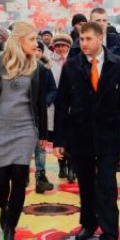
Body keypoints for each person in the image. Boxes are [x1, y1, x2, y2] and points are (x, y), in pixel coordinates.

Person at [53, 22, 120, 240]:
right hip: (80, 135)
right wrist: (59, 140)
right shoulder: (71, 66)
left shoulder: (117, 65)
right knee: (86, 183)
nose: (83, 43)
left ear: (100, 38)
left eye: (88, 38)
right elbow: (62, 105)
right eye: (81, 39)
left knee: (107, 185)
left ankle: (109, 234)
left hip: (109, 135)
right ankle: (89, 223)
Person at [0, 22, 49, 240]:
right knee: (1, 179)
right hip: (0, 127)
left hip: (25, 128)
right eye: (31, 39)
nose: (36, 43)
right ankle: (4, 208)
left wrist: (43, 134)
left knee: (19, 177)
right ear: (18, 40)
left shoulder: (37, 66)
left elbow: (39, 103)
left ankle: (10, 228)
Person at [32, 41, 57, 194]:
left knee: (40, 146)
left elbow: (53, 89)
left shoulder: (46, 70)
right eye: (34, 49)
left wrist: (45, 102)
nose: (36, 52)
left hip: (40, 114)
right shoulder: (19, 67)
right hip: (22, 114)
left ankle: (40, 176)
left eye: (39, 50)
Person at [49, 33, 72, 180]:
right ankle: (62, 164)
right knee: (60, 135)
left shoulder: (75, 60)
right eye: (57, 46)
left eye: (63, 45)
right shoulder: (49, 62)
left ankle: (72, 166)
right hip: (55, 104)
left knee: (73, 136)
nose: (60, 48)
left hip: (72, 103)